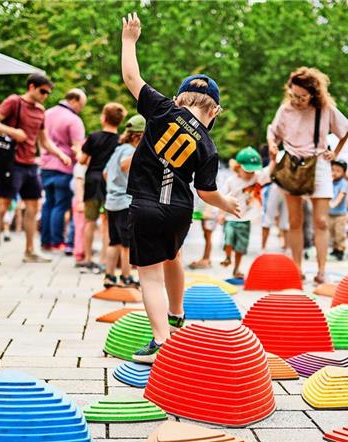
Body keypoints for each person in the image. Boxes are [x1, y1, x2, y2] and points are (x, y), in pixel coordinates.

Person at [120, 13, 240, 363]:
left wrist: (130, 41)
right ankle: (176, 314)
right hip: (180, 211)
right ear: (215, 109)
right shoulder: (209, 146)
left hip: (145, 205)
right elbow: (206, 192)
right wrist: (226, 203)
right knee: (173, 256)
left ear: (178, 97)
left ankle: (160, 340)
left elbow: (131, 76)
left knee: (149, 277)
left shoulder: (161, 109)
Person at [267, 67, 348, 284]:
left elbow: (346, 128)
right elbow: (272, 132)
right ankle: (297, 268)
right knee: (295, 220)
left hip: (319, 164)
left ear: (313, 94)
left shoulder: (325, 109)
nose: (297, 100)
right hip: (292, 164)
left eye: (302, 96)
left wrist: (336, 153)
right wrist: (272, 146)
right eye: (294, 95)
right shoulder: (285, 110)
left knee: (321, 221)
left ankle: (322, 270)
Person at [0, 73, 71, 265]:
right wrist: (13, 132)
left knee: (34, 205)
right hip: (12, 163)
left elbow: (44, 141)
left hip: (31, 164)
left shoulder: (41, 111)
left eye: (48, 93)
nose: (45, 96)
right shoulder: (14, 102)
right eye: (43, 91)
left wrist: (60, 154)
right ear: (31, 86)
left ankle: (30, 250)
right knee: (2, 204)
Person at [78, 102, 128, 272]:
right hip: (110, 183)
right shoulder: (120, 141)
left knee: (90, 221)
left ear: (104, 118)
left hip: (92, 180)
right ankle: (104, 259)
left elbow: (82, 160)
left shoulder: (93, 137)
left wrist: (76, 150)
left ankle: (87, 258)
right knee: (108, 222)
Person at [39, 89, 87, 252]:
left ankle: (45, 241)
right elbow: (77, 148)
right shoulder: (74, 120)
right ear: (73, 100)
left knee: (48, 203)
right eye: (81, 105)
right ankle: (57, 241)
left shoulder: (46, 113)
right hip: (64, 166)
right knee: (60, 205)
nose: (81, 109)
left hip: (45, 165)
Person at [102, 114, 145, 288]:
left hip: (112, 201)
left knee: (115, 241)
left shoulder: (118, 149)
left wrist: (115, 186)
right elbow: (124, 165)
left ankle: (109, 276)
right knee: (127, 244)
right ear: (139, 136)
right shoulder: (129, 150)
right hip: (124, 202)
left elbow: (105, 173)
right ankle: (126, 277)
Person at [218, 147, 264, 278]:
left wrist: (272, 159)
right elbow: (222, 197)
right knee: (228, 238)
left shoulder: (256, 178)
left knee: (240, 247)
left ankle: (236, 269)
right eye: (247, 171)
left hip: (245, 220)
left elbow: (268, 172)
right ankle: (227, 257)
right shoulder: (231, 181)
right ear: (237, 167)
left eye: (252, 171)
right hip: (230, 218)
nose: (250, 174)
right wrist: (221, 214)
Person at [328, 160, 348, 261]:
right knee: (331, 232)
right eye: (332, 170)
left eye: (338, 171)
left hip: (340, 214)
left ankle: (341, 250)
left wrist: (334, 203)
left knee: (339, 233)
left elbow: (341, 195)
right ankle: (335, 249)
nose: (334, 173)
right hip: (329, 213)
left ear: (343, 172)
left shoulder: (344, 183)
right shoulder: (329, 182)